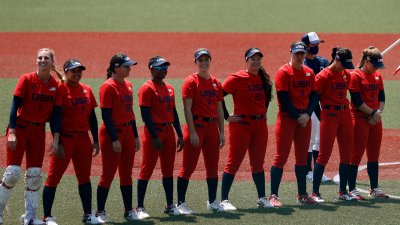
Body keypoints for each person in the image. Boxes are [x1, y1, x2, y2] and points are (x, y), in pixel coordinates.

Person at [0, 48, 59, 225]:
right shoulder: (26, 79)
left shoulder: (55, 86)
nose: (42, 60)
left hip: (38, 132)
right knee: (12, 173)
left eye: (46, 58)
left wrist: (56, 139)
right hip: (20, 128)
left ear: (51, 62)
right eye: (40, 58)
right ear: (36, 61)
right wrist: (11, 132)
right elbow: (14, 106)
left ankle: (30, 218)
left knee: (34, 176)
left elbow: (55, 115)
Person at [41, 59, 100, 225]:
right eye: (73, 71)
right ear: (66, 72)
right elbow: (55, 117)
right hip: (65, 140)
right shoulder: (60, 89)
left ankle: (88, 214)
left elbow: (92, 117)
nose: (77, 73)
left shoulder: (87, 89)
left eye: (79, 70)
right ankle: (47, 217)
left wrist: (95, 139)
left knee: (84, 178)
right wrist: (57, 142)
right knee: (53, 178)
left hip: (83, 139)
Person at [219, 47, 273, 211]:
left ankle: (262, 198)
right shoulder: (236, 78)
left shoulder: (263, 79)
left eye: (258, 58)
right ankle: (224, 200)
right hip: (241, 126)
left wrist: (261, 113)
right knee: (233, 163)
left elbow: (265, 101)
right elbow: (218, 96)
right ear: (246, 60)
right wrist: (227, 116)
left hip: (259, 126)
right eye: (252, 58)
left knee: (258, 163)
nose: (256, 61)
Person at [269, 42, 318, 207]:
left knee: (302, 158)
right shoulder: (283, 72)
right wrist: (299, 116)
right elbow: (283, 98)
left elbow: (314, 96)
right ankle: (273, 195)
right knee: (280, 157)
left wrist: (308, 114)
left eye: (302, 53)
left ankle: (302, 194)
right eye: (297, 53)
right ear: (291, 53)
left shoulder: (309, 73)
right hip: (288, 119)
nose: (299, 56)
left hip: (304, 119)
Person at [176, 49, 225, 214]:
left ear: (210, 61)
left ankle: (212, 201)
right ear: (195, 62)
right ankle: (180, 203)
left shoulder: (216, 83)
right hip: (196, 127)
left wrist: (221, 132)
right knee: (188, 167)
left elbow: (219, 109)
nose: (203, 63)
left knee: (213, 166)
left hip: (212, 129)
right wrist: (192, 132)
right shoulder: (190, 81)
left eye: (206, 59)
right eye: (200, 60)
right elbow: (187, 109)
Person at [136, 56, 184, 219]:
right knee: (147, 169)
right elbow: (145, 114)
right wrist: (155, 136)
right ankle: (140, 207)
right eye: (160, 67)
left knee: (168, 170)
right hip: (153, 133)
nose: (164, 70)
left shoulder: (169, 88)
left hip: (168, 131)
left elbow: (174, 112)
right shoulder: (147, 88)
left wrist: (179, 133)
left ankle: (170, 205)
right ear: (151, 69)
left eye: (165, 67)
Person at [95, 54, 140, 223]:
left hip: (128, 132)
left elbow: (131, 113)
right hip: (112, 134)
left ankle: (129, 210)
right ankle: (99, 211)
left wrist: (135, 136)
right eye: (126, 66)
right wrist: (114, 139)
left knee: (127, 174)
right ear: (116, 67)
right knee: (108, 173)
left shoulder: (128, 85)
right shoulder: (108, 87)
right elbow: (105, 115)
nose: (129, 68)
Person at [311, 47, 356, 203]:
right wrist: (322, 116)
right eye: (343, 64)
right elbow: (314, 100)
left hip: (345, 115)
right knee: (324, 155)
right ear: (336, 60)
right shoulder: (323, 76)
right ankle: (315, 193)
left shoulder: (346, 74)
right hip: (329, 116)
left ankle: (343, 191)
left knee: (346, 155)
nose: (345, 68)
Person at [348, 47, 389, 199]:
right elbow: (357, 101)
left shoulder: (377, 76)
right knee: (356, 154)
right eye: (374, 65)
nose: (376, 69)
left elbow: (382, 98)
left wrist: (378, 113)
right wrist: (372, 113)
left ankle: (374, 188)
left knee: (374, 155)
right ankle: (352, 188)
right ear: (366, 61)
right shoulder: (356, 76)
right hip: (359, 119)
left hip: (375, 119)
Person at [301, 32, 332, 183]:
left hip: (323, 104)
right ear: (305, 46)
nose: (316, 47)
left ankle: (318, 170)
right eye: (313, 44)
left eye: (317, 44)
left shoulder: (322, 61)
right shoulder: (303, 64)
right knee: (310, 138)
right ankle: (307, 171)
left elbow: (331, 73)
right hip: (309, 106)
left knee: (319, 139)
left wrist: (337, 62)